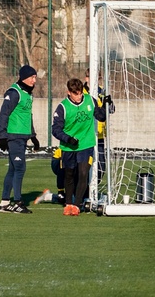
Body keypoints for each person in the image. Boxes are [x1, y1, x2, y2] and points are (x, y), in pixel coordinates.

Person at [53, 78, 107, 215]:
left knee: (83, 173)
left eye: (80, 93)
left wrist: (104, 107)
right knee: (69, 174)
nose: (78, 97)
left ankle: (77, 205)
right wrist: (68, 139)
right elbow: (55, 129)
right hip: (68, 146)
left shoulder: (90, 100)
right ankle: (68, 203)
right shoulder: (63, 107)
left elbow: (101, 117)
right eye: (75, 94)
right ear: (68, 92)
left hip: (86, 144)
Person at [0, 65, 41, 214]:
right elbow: (4, 114)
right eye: (32, 77)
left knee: (13, 169)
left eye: (35, 77)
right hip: (13, 136)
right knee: (20, 168)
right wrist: (2, 136)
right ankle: (17, 202)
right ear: (24, 78)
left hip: (23, 137)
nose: (34, 80)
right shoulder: (14, 92)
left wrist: (33, 137)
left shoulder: (28, 94)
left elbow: (28, 116)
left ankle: (4, 203)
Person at [83, 69, 114, 190]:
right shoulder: (82, 92)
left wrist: (109, 104)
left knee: (101, 167)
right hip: (85, 135)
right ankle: (83, 191)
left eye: (97, 77)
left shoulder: (102, 92)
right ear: (86, 78)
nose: (94, 80)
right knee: (85, 165)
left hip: (99, 135)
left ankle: (92, 190)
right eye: (90, 77)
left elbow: (111, 109)